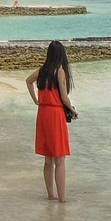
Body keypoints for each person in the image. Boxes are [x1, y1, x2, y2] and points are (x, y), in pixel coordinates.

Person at [26, 39, 78, 202]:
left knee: (48, 159)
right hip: (55, 114)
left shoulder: (42, 70)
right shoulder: (60, 72)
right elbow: (64, 97)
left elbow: (28, 81)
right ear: (61, 55)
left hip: (43, 113)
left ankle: (51, 195)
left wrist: (36, 100)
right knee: (60, 159)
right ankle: (62, 198)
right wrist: (72, 109)